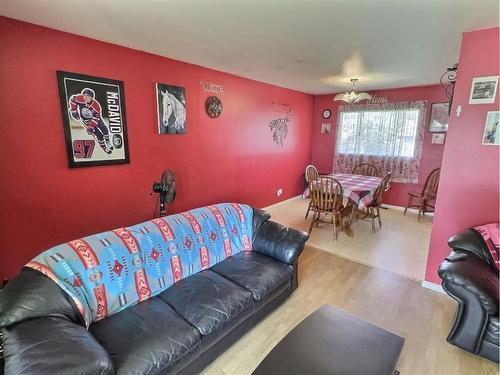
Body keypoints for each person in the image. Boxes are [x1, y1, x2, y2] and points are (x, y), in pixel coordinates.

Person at [69, 88, 114, 154]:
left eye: (88, 96)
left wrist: (90, 127)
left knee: (104, 129)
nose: (86, 98)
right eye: (84, 96)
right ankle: (104, 146)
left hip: (96, 119)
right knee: (99, 135)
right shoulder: (80, 98)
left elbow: (96, 118)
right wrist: (74, 110)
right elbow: (73, 99)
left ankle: (107, 140)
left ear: (92, 98)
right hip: (86, 120)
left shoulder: (96, 106)